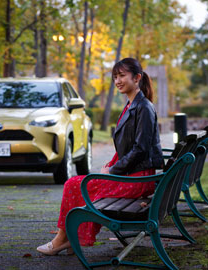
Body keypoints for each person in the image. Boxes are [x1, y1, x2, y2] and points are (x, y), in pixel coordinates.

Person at [37, 57, 164, 255]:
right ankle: (71, 238)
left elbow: (140, 149)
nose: (118, 81)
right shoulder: (132, 105)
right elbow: (126, 147)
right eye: (115, 77)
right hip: (132, 175)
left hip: (139, 180)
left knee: (74, 184)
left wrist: (113, 170)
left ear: (137, 77)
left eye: (122, 76)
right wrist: (110, 164)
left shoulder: (144, 107)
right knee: (79, 184)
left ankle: (62, 239)